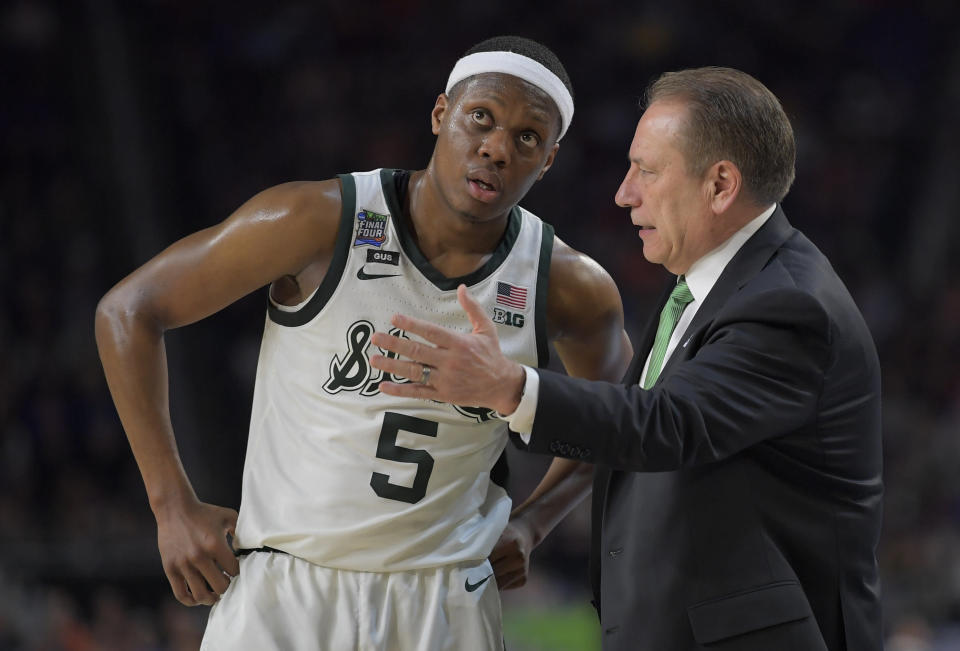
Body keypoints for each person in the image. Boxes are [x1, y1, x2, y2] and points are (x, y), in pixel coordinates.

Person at [94, 35, 632, 650]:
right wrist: (170, 505)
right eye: (480, 118)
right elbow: (128, 311)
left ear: (549, 160)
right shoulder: (319, 218)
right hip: (286, 588)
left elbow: (612, 425)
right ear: (440, 115)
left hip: (443, 598)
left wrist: (535, 523)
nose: (496, 148)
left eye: (527, 138)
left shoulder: (569, 285)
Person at [369, 66, 883, 650]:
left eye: (647, 170)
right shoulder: (713, 282)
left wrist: (510, 388)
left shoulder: (788, 305)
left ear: (719, 186)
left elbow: (665, 425)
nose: (624, 192)